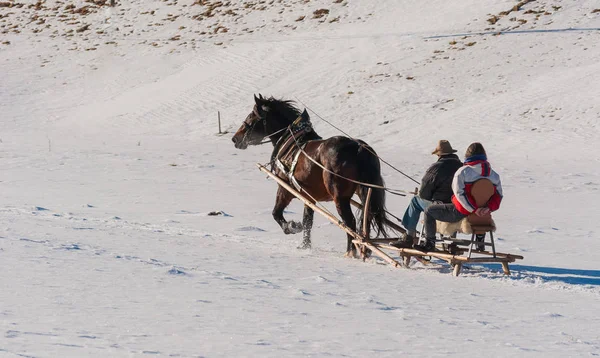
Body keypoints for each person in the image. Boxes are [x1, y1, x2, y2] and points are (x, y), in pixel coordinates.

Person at [416, 142, 503, 252]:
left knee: (429, 211)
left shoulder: (463, 172)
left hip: (460, 213)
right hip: (484, 215)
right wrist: (488, 208)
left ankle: (430, 243)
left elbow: (459, 194)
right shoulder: (493, 175)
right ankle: (480, 239)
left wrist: (474, 209)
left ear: (468, 155)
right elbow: (498, 196)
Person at [390, 140, 462, 248]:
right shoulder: (461, 166)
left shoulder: (436, 167)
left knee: (415, 201)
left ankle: (409, 237)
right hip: (456, 207)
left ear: (439, 154)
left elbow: (424, 193)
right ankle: (451, 240)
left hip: (439, 207)